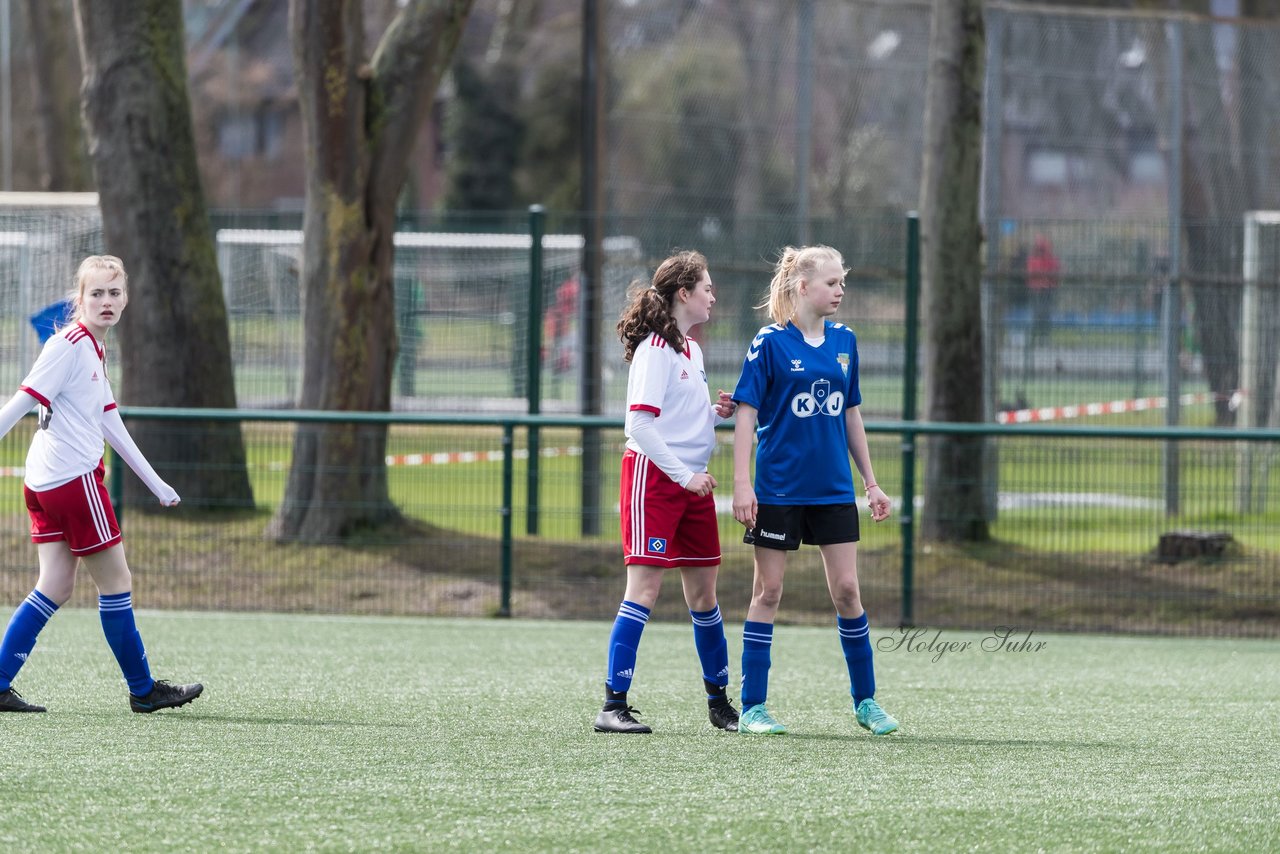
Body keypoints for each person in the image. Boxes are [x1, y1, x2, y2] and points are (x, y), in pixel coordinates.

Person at [0, 255, 203, 714]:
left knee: (54, 584)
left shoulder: (92, 346)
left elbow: (109, 420)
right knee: (117, 583)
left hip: (44, 483)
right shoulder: (69, 345)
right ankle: (143, 690)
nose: (106, 301)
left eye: (114, 293)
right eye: (96, 293)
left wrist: (155, 483)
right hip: (72, 483)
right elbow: (18, 405)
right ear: (80, 299)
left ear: (126, 299)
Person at [730, 245, 898, 736]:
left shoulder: (846, 341)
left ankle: (866, 702)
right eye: (831, 283)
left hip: (832, 491)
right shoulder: (768, 343)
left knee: (847, 591)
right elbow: (745, 414)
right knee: (769, 591)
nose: (840, 290)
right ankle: (753, 708)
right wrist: (744, 483)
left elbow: (850, 412)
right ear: (803, 287)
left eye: (843, 282)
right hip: (778, 491)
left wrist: (871, 482)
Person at [594, 250, 739, 734]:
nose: (713, 295)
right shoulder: (656, 348)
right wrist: (683, 476)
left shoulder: (691, 349)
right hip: (655, 480)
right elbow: (640, 423)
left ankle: (720, 705)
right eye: (707, 288)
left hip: (691, 483)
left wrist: (712, 412)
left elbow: (677, 415)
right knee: (646, 589)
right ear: (685, 294)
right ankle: (613, 705)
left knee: (704, 593)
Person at [1026, 233, 1060, 340]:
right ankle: (1041, 333)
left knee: (1041, 311)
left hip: (1043, 288)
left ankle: (1041, 333)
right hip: (1041, 288)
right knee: (1040, 311)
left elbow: (1055, 271)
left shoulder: (1042, 258)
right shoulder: (1041, 258)